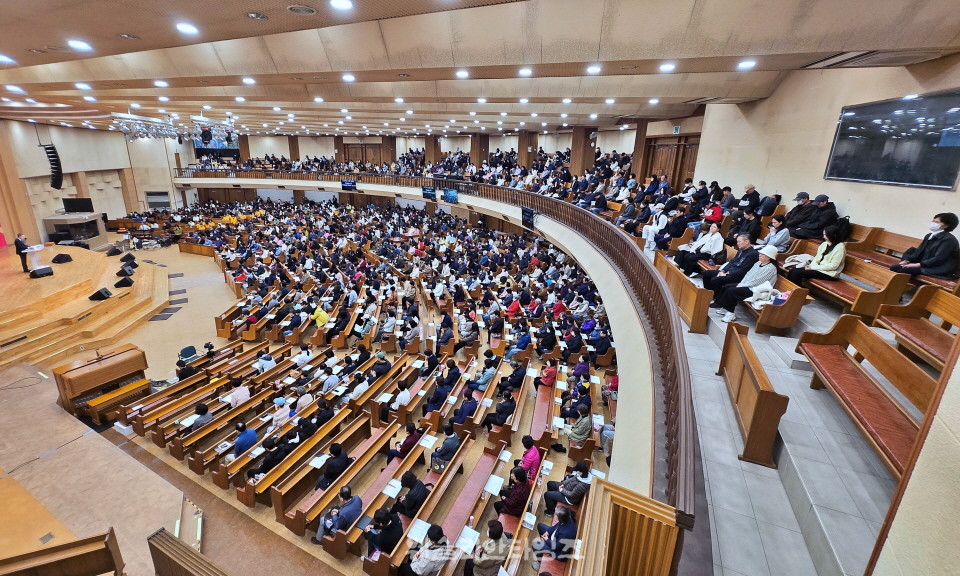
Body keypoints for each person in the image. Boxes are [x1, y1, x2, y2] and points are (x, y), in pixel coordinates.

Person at [714, 245, 781, 323]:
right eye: (760, 253)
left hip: (757, 290)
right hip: (748, 285)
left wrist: (742, 285)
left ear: (769, 257)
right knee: (726, 287)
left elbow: (758, 281)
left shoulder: (770, 268)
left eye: (763, 254)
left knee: (732, 291)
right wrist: (741, 283)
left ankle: (731, 313)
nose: (760, 255)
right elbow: (748, 274)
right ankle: (725, 308)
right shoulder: (758, 263)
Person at [890, 213, 959, 278]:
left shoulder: (949, 239)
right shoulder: (929, 235)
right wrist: (907, 260)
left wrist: (917, 265)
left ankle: (898, 288)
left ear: (946, 225)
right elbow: (918, 251)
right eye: (933, 221)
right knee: (894, 267)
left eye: (937, 222)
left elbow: (939, 258)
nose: (933, 223)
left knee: (904, 270)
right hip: (926, 264)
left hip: (938, 268)